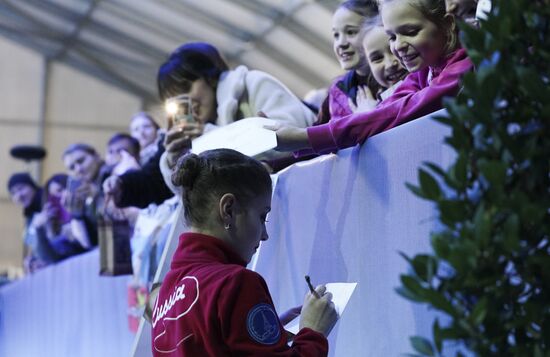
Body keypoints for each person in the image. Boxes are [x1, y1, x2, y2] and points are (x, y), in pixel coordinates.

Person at [151, 149, 338, 356]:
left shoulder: (167, 289)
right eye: (262, 217)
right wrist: (313, 332)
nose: (265, 234)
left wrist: (263, 335)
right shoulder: (235, 283)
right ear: (228, 209)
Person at [270, 0, 474, 155]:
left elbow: (397, 113)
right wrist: (297, 147)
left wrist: (304, 138)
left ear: (447, 25)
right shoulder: (423, 71)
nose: (398, 47)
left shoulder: (462, 69)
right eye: (392, 37)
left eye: (410, 32)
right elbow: (385, 111)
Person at [158, 41, 317, 169]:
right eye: (173, 98)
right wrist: (177, 163)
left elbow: (296, 139)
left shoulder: (253, 84)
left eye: (186, 88)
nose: (184, 102)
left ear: (210, 77)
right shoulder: (200, 130)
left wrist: (209, 139)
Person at [316, 0, 380, 125]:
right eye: (336, 35)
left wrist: (368, 119)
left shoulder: (397, 77)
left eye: (351, 32)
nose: (341, 43)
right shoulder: (337, 90)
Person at [353, 15, 409, 113]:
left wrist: (371, 116)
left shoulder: (431, 81)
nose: (390, 64)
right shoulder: (373, 103)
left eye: (393, 50)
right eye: (377, 58)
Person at [7, 172, 44, 272]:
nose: (18, 196)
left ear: (32, 186)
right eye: (13, 193)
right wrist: (31, 259)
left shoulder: (46, 204)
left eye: (21, 188)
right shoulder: (30, 214)